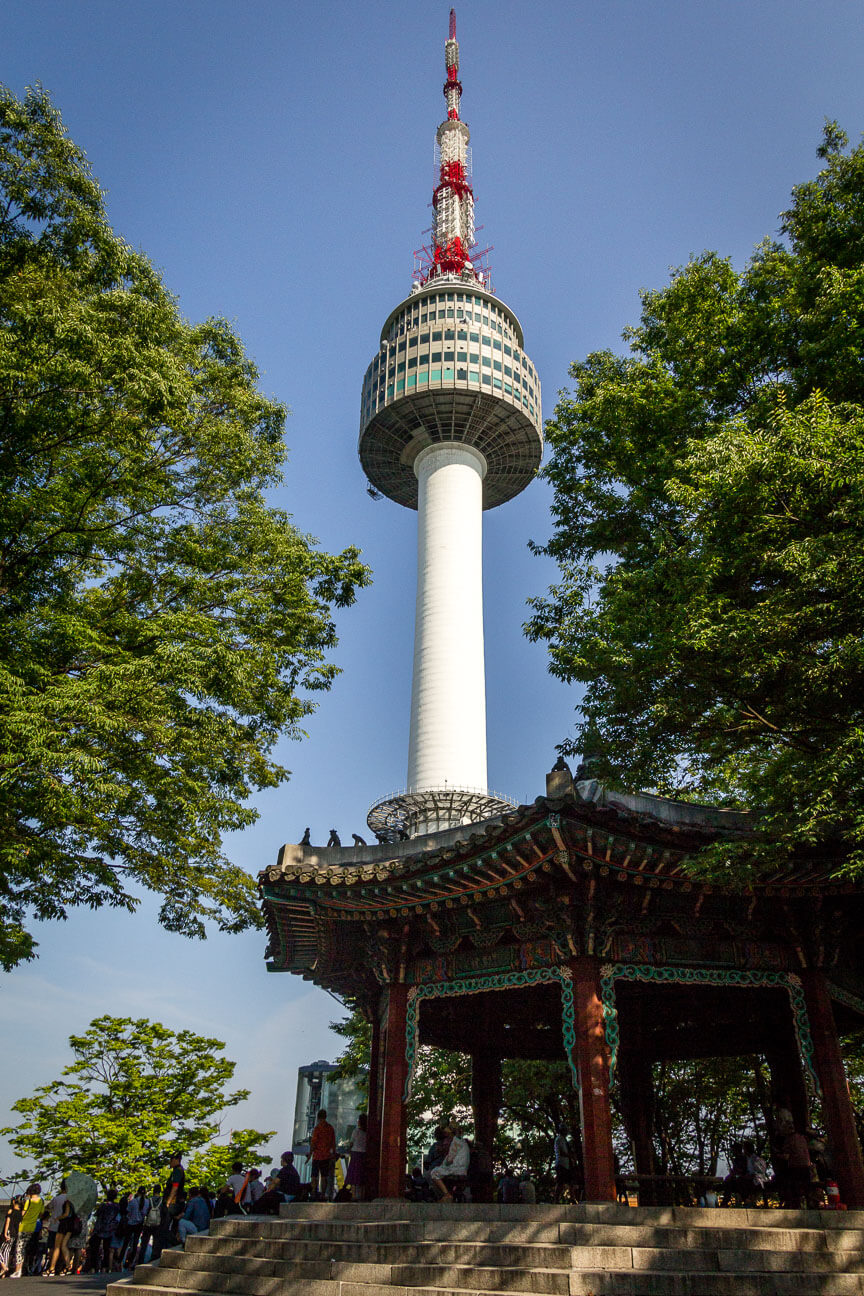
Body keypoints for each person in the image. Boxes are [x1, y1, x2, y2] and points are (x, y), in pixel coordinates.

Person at [8, 1183, 42, 1278]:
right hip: (33, 1227)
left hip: (23, 1226)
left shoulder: (29, 1201)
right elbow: (41, 1213)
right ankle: (22, 1269)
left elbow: (23, 1213)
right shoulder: (41, 1201)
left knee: (19, 1249)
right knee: (25, 1248)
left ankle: (18, 1270)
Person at [429, 1124, 470, 1202]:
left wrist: (444, 1153)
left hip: (457, 1169)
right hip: (461, 1169)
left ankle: (446, 1194)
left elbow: (449, 1160)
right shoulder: (461, 1141)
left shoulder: (456, 1142)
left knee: (434, 1173)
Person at [87, 1189, 120, 1274]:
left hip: (99, 1229)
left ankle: (93, 1268)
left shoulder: (103, 1205)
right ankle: (104, 1268)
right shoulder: (116, 1206)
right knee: (106, 1249)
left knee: (95, 1249)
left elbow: (97, 1215)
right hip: (109, 1230)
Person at [309, 1109, 336, 1201]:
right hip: (326, 1156)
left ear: (318, 1117)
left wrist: (310, 1154)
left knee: (314, 1175)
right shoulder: (330, 1128)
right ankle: (323, 1194)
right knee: (324, 1176)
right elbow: (333, 1143)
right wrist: (333, 1154)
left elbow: (313, 1143)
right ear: (325, 1116)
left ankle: (314, 1192)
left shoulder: (317, 1128)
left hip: (317, 1155)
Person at [345, 1113, 368, 1201]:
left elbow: (351, 1143)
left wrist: (347, 1149)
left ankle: (354, 1195)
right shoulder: (367, 1133)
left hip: (355, 1154)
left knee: (353, 1175)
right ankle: (362, 1195)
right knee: (361, 1175)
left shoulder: (356, 1131)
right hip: (364, 1155)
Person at [553, 1128, 572, 1202]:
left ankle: (571, 1198)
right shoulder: (559, 1139)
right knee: (560, 1182)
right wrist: (570, 1155)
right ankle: (556, 1199)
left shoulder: (563, 1139)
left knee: (569, 1182)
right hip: (561, 1163)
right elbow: (561, 1152)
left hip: (565, 1164)